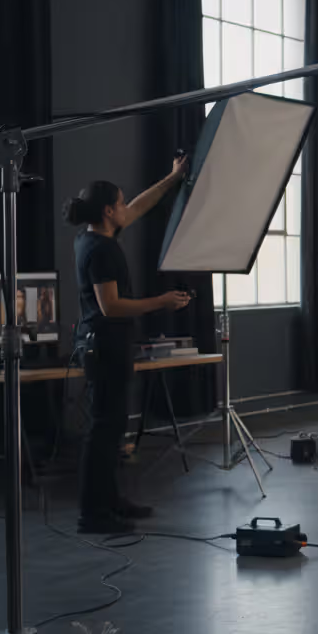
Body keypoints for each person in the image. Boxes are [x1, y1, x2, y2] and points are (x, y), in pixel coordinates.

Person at [63, 163, 192, 535]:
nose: (125, 207)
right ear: (108, 211)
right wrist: (162, 301)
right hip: (104, 347)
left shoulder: (92, 238)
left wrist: (172, 177)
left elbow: (138, 205)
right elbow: (111, 306)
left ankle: (110, 501)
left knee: (112, 428)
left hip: (107, 347)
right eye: (119, 202)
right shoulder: (101, 250)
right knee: (104, 431)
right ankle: (93, 514)